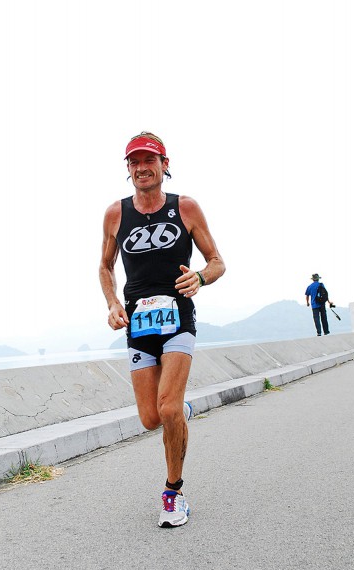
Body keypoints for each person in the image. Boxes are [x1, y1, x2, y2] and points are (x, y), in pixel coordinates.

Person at [99, 132, 225, 527]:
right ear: (128, 169)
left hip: (178, 318)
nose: (141, 168)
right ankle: (179, 413)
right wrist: (113, 303)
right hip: (138, 325)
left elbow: (217, 262)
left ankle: (174, 493)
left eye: (149, 160)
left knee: (167, 407)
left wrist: (200, 278)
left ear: (164, 165)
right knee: (152, 418)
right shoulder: (115, 214)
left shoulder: (185, 207)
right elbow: (104, 266)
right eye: (134, 162)